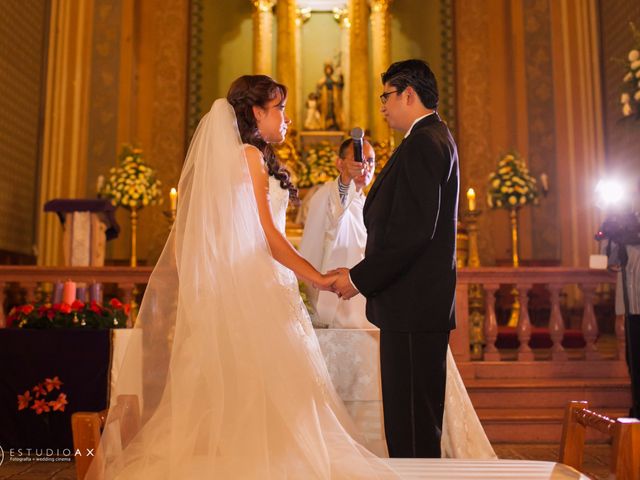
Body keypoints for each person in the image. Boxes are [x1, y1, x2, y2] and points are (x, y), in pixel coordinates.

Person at [86, 75, 398, 479]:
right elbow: (268, 237)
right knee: (268, 391)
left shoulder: (250, 157)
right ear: (255, 113)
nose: (287, 118)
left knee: (251, 394)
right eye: (279, 109)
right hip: (258, 289)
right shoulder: (249, 157)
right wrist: (319, 278)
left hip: (255, 284)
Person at [332, 59, 459, 458]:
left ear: (408, 94)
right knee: (411, 424)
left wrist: (357, 279)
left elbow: (413, 232)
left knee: (412, 429)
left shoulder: (424, 141)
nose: (382, 105)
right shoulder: (431, 137)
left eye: (386, 96)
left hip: (413, 306)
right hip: (414, 306)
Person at [299, 138, 376, 328]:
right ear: (339, 163)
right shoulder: (327, 194)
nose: (364, 166)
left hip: (365, 293)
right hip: (336, 297)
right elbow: (337, 207)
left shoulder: (369, 203)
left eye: (370, 161)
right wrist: (346, 179)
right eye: (357, 160)